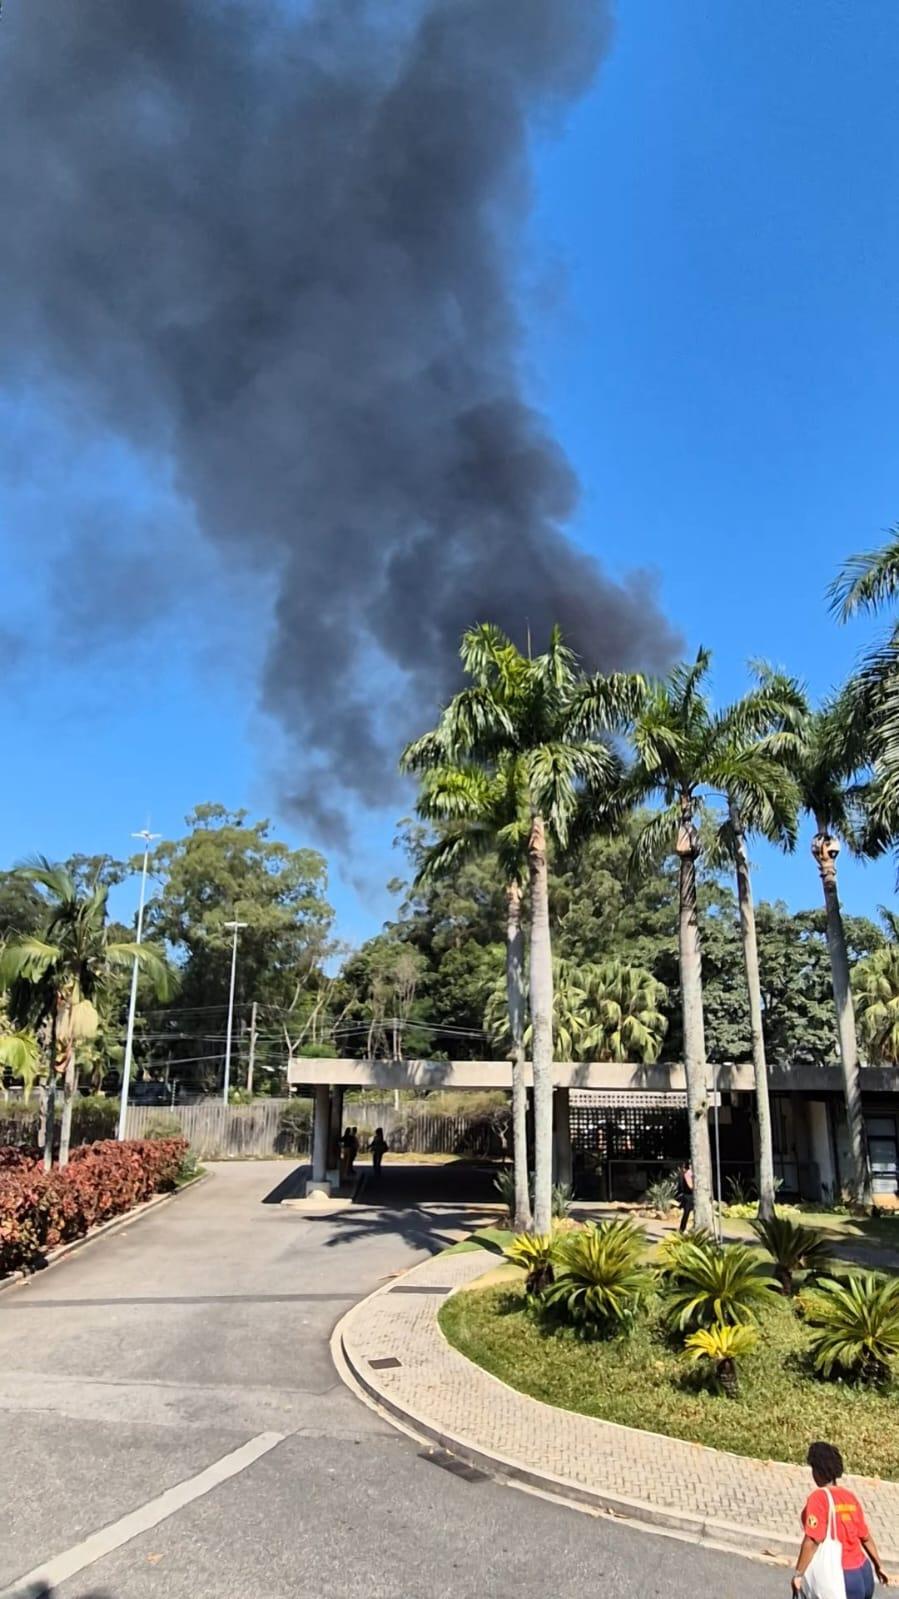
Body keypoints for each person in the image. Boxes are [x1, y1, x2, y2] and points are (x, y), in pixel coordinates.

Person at [792, 1441, 889, 1599]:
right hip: (864, 1574)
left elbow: (812, 1540)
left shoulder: (819, 1497)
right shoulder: (849, 1496)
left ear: (818, 1471)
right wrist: (879, 1565)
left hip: (841, 1577)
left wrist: (798, 1574)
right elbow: (865, 1537)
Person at [675, 1163, 694, 1233]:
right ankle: (682, 1228)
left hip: (688, 1195)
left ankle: (683, 1228)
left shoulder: (687, 1174)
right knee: (686, 1213)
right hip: (688, 1196)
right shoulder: (688, 1174)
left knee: (687, 1213)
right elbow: (690, 1186)